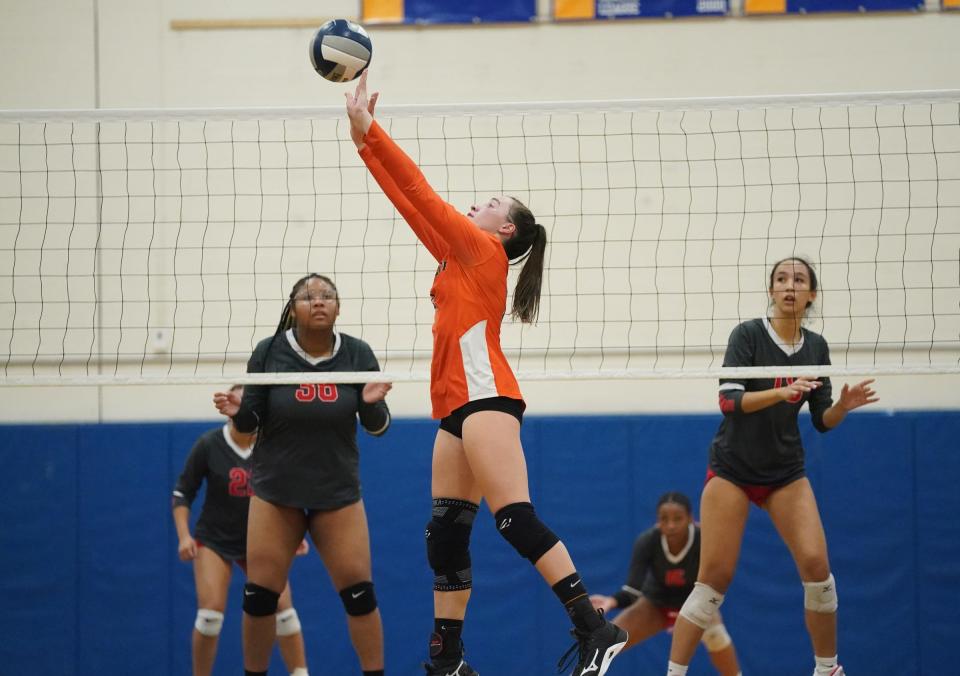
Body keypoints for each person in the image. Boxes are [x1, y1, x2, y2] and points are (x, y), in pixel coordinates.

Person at [344, 71, 628, 676]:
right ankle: (447, 657)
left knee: (513, 517)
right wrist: (362, 143)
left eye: (489, 204)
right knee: (444, 533)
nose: (474, 204)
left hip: (487, 398)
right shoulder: (458, 255)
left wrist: (376, 130)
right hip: (454, 408)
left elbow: (421, 190)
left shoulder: (484, 251)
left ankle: (595, 628)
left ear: (505, 231)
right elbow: (407, 203)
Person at [665, 257, 879, 676]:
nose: (789, 286)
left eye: (798, 280)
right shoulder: (747, 335)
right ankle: (674, 674)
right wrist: (781, 394)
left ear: (811, 294)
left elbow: (821, 421)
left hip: (784, 473)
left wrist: (843, 407)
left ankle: (827, 669)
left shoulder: (816, 347)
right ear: (771, 290)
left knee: (819, 571)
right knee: (712, 582)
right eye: (781, 279)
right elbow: (729, 402)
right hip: (733, 470)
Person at [213, 274, 392, 676]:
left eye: (327, 296)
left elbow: (379, 426)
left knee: (360, 595)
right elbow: (251, 421)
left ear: (339, 307)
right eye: (308, 297)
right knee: (260, 596)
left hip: (337, 492)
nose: (318, 302)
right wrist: (237, 411)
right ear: (293, 308)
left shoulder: (358, 353)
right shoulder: (269, 351)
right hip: (277, 492)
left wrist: (369, 404)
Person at [172, 386, 310, 676]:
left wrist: (294, 535)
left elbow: (288, 492)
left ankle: (300, 672)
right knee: (210, 615)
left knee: (285, 611)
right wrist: (184, 535)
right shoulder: (209, 444)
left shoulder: (270, 445)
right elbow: (182, 494)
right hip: (215, 540)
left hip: (260, 540)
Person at [590, 492, 740, 676]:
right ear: (657, 521)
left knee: (716, 635)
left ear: (691, 519)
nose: (671, 525)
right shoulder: (647, 541)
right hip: (656, 604)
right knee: (605, 644)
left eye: (678, 518)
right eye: (664, 519)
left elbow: (717, 580)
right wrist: (611, 601)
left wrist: (688, 617)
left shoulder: (705, 540)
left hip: (695, 604)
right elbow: (632, 591)